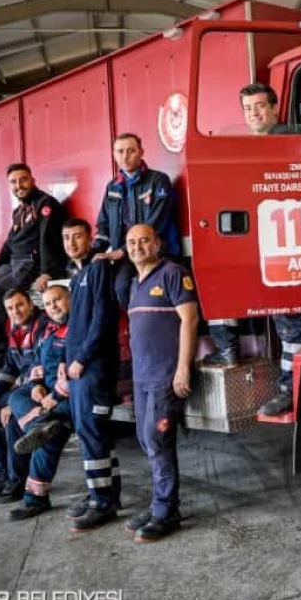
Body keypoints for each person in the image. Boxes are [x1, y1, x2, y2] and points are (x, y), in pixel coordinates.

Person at [234, 83, 301, 415]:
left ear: (275, 108)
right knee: (284, 319)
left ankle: (293, 388)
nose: (254, 113)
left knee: (291, 317)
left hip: (290, 238)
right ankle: (292, 383)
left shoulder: (287, 141)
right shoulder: (253, 147)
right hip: (268, 240)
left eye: (260, 106)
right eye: (248, 108)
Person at [124, 224, 199, 542]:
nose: (137, 246)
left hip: (164, 376)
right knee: (146, 440)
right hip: (142, 377)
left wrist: (183, 369)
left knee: (157, 441)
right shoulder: (134, 283)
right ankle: (160, 504)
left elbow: (190, 319)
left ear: (157, 244)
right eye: (131, 242)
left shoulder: (173, 273)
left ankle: (166, 511)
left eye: (143, 240)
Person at [0, 163, 67, 376]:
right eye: (13, 182)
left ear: (33, 180)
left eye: (23, 180)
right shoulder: (18, 211)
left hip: (31, 263)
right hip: (13, 263)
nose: (19, 185)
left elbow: (47, 241)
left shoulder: (45, 204)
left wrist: (47, 272)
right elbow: (9, 244)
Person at [60, 218, 123, 532]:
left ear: (89, 240)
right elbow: (75, 328)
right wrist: (63, 361)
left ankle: (103, 503)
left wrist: (82, 360)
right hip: (77, 370)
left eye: (77, 237)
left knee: (92, 432)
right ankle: (106, 493)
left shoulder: (98, 269)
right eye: (67, 238)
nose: (71, 243)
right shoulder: (77, 276)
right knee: (93, 433)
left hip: (93, 370)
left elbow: (102, 321)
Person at [5, 284, 74, 521]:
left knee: (49, 438)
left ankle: (35, 499)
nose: (53, 306)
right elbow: (37, 362)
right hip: (49, 395)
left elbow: (74, 375)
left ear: (70, 299)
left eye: (58, 300)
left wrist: (52, 400)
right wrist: (36, 385)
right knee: (16, 396)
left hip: (69, 399)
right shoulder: (48, 331)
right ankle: (39, 426)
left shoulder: (75, 330)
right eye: (48, 303)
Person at [0, 289, 47, 504]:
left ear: (31, 304)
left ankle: (16, 480)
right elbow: (9, 370)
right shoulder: (15, 331)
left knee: (12, 419)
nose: (16, 311)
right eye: (10, 308)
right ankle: (2, 476)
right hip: (22, 390)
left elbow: (39, 367)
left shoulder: (42, 327)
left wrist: (12, 402)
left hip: (40, 389)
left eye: (20, 305)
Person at [92, 133, 183, 308]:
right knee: (118, 289)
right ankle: (136, 327)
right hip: (127, 254)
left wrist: (122, 251)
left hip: (156, 251)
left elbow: (156, 223)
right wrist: (94, 252)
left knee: (150, 290)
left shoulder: (158, 180)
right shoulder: (112, 187)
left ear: (141, 152)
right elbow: (103, 225)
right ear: (114, 154)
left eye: (130, 151)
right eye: (120, 151)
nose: (125, 156)